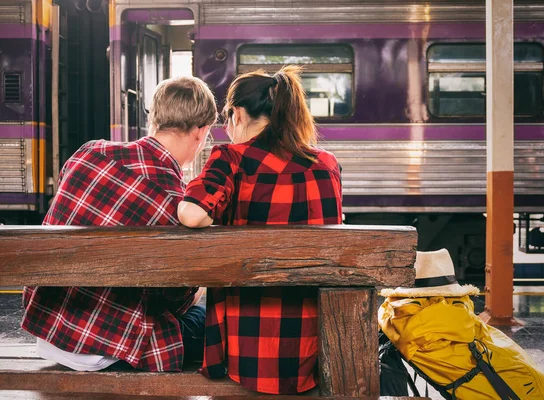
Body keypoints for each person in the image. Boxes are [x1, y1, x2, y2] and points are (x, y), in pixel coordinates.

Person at [21, 76, 218, 372]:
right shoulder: (176, 203)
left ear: (155, 120)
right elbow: (174, 303)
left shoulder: (88, 153)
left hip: (50, 328)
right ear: (200, 133)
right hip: (109, 347)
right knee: (209, 315)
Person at [178, 66, 343, 394]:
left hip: (249, 349)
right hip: (314, 345)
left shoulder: (232, 158)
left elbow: (193, 215)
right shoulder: (326, 163)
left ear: (237, 114)